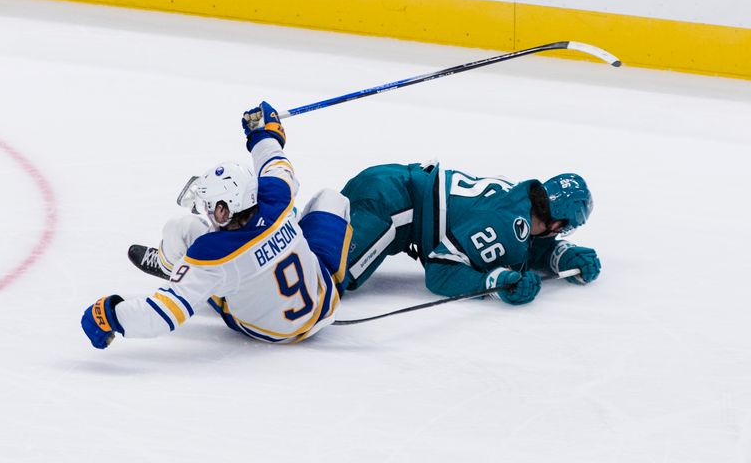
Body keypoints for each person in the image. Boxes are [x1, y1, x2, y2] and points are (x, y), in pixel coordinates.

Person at [80, 102, 353, 348]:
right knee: (329, 199)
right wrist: (262, 132)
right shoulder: (277, 194)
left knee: (182, 228)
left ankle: (171, 267)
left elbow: (161, 315)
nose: (206, 210)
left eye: (210, 205)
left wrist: (111, 316)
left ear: (224, 209)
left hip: (265, 330)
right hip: (325, 302)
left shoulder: (212, 256)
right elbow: (275, 161)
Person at [340, 162, 601, 305]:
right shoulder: (506, 223)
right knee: (330, 279)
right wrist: (495, 284)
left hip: (386, 183)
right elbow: (440, 272)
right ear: (556, 224)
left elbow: (522, 244)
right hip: (390, 205)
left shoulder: (518, 201)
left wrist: (560, 255)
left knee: (318, 250)